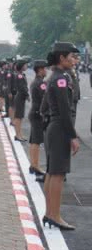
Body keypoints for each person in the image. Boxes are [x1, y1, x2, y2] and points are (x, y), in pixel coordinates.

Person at [41, 42, 81, 230]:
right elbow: (65, 111)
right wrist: (73, 136)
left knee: (52, 172)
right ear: (62, 58)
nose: (74, 60)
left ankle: (50, 213)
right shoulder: (61, 78)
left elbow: (45, 107)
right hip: (60, 129)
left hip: (54, 127)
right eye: (71, 57)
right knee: (58, 174)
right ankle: (55, 215)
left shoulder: (56, 76)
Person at [28, 60, 48, 178]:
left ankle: (33, 164)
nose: (46, 71)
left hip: (34, 112)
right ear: (40, 69)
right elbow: (45, 99)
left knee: (34, 141)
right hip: (37, 114)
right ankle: (35, 166)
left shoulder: (36, 82)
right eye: (45, 69)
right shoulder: (41, 83)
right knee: (36, 141)